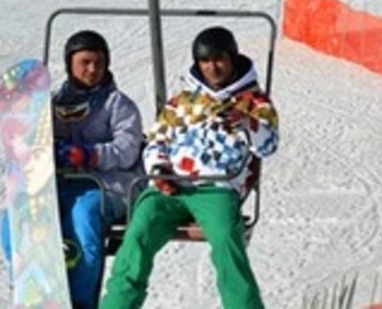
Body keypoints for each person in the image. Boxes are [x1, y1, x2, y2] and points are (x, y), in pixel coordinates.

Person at [101, 27, 278, 309]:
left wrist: (247, 122)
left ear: (232, 58)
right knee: (136, 238)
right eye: (205, 61)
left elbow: (268, 145)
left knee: (226, 243)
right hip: (170, 187)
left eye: (219, 59)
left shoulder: (254, 101)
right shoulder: (182, 102)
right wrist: (158, 171)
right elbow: (157, 140)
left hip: (216, 188)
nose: (213, 67)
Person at [0, 30, 143, 309]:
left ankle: (80, 300)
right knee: (14, 219)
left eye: (98, 63)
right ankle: (30, 288)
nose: (92, 69)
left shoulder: (118, 104)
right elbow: (27, 142)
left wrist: (89, 155)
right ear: (70, 65)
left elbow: (127, 150)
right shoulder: (50, 104)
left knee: (83, 219)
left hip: (104, 186)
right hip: (59, 184)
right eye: (85, 63)